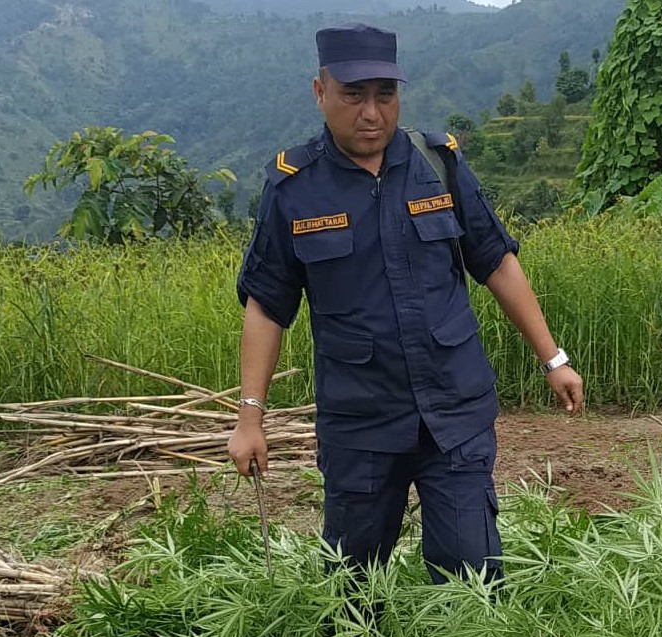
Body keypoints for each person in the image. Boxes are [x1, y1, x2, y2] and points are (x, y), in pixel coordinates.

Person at [228, 23, 584, 587]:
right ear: (320, 93)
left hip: (454, 408)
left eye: (384, 96)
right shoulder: (294, 188)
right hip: (361, 421)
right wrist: (250, 417)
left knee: (472, 574)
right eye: (353, 95)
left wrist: (554, 358)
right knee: (353, 583)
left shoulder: (437, 164)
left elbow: (494, 260)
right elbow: (267, 305)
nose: (371, 113)